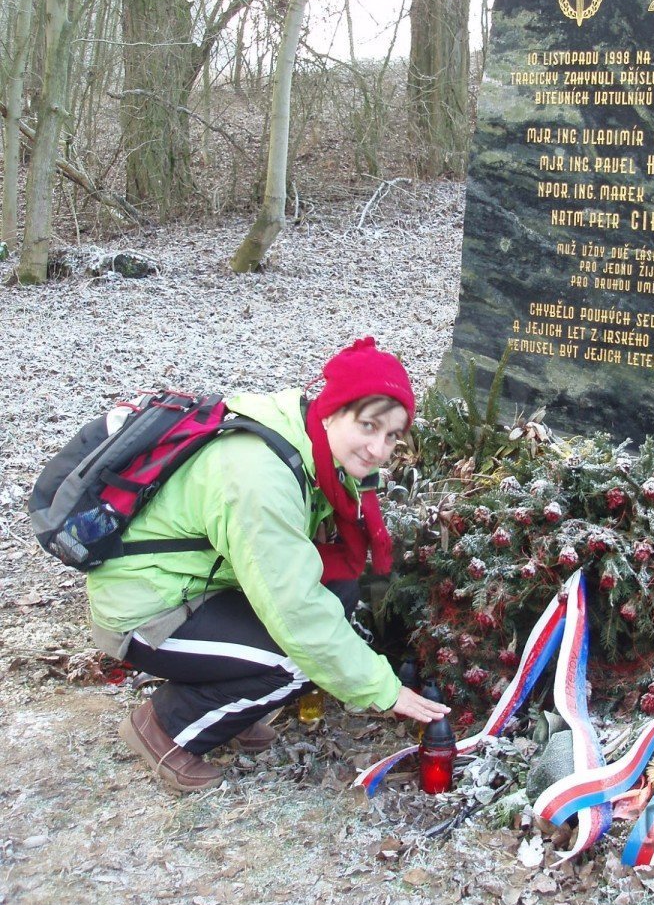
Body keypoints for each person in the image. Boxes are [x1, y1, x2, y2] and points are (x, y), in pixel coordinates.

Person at [87, 337, 448, 793]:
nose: (379, 449)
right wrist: (384, 689)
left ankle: (230, 703)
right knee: (298, 657)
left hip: (201, 584)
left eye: (393, 435)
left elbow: (308, 581)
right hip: (147, 607)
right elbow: (295, 613)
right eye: (369, 426)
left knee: (337, 594)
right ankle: (165, 727)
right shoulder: (261, 476)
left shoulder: (306, 438)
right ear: (333, 411)